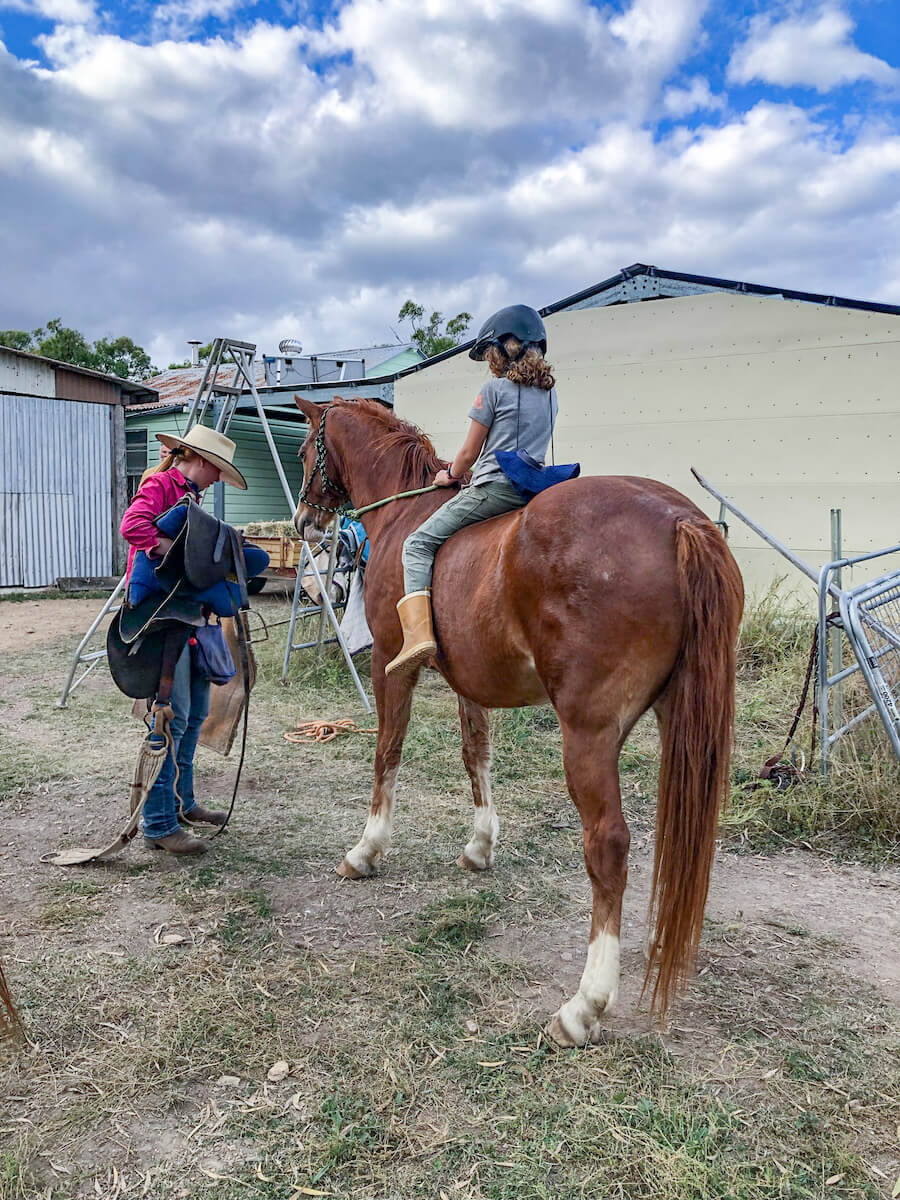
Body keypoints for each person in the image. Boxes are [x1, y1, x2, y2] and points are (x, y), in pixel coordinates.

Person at [386, 304, 558, 677]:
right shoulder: (550, 396)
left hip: (495, 489)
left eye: (491, 353)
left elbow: (468, 453)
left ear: (505, 347)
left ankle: (417, 637)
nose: (490, 362)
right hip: (533, 493)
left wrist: (449, 474)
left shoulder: (493, 390)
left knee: (416, 543)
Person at [120, 425, 248, 855]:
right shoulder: (161, 484)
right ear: (204, 461)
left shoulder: (192, 495)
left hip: (189, 615)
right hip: (162, 617)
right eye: (218, 471)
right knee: (170, 718)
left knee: (195, 715)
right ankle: (158, 825)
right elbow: (133, 525)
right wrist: (170, 549)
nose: (217, 479)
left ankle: (183, 803)